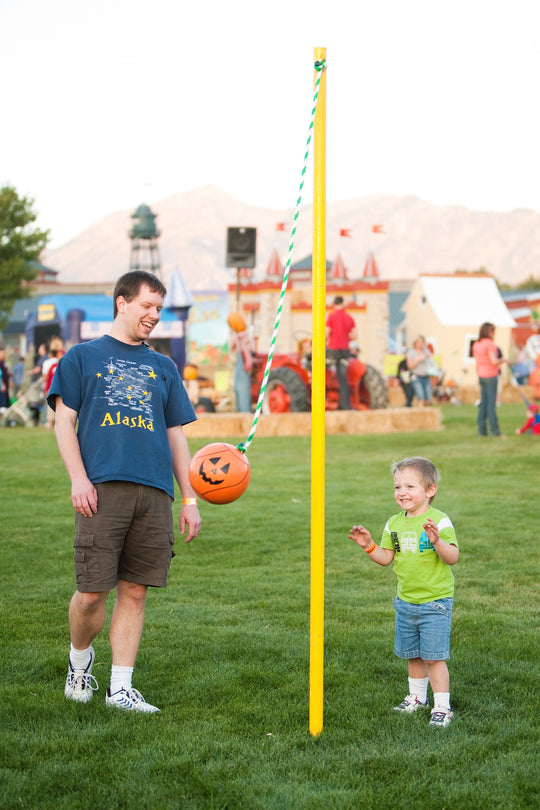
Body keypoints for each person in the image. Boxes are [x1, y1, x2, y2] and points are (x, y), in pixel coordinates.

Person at [48, 270, 201, 714]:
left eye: (159, 308)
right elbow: (63, 422)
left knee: (135, 591)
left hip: (154, 491)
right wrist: (78, 478)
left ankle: (120, 688)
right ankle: (80, 661)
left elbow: (176, 436)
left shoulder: (163, 366)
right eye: (147, 306)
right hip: (102, 487)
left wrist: (188, 497)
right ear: (121, 302)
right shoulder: (81, 357)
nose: (154, 315)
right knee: (92, 592)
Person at [348, 457, 459, 728]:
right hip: (406, 602)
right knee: (413, 655)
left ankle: (442, 707)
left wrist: (437, 541)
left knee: (434, 658)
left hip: (435, 602)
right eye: (398, 487)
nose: (402, 493)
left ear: (430, 490)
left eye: (410, 486)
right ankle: (417, 698)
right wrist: (369, 545)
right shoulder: (393, 523)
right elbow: (387, 558)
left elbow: (453, 557)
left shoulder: (439, 521)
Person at [472, 322, 506, 437]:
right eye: (492, 331)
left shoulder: (477, 344)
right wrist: (504, 360)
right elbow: (494, 361)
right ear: (488, 332)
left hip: (481, 375)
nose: (494, 334)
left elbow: (477, 363)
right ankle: (495, 431)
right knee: (491, 405)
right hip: (491, 376)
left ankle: (482, 431)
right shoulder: (490, 344)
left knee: (483, 404)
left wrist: (478, 376)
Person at [326, 295, 357, 409]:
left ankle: (322, 399)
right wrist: (346, 337)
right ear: (343, 304)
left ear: (334, 304)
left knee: (321, 372)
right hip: (345, 351)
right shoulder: (349, 318)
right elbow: (354, 335)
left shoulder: (331, 317)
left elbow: (327, 333)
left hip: (333, 350)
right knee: (342, 379)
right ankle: (345, 405)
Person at [42, 337, 65, 428]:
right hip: (52, 389)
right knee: (50, 408)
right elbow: (48, 379)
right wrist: (47, 388)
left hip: (62, 390)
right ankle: (50, 422)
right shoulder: (52, 365)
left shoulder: (65, 364)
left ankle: (59, 423)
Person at [406, 336, 434, 407]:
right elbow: (410, 366)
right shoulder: (411, 352)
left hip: (426, 376)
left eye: (422, 342)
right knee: (421, 397)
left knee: (428, 399)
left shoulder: (426, 350)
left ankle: (427, 414)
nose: (421, 344)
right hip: (416, 377)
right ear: (415, 343)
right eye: (419, 342)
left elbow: (431, 360)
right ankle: (421, 414)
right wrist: (418, 360)